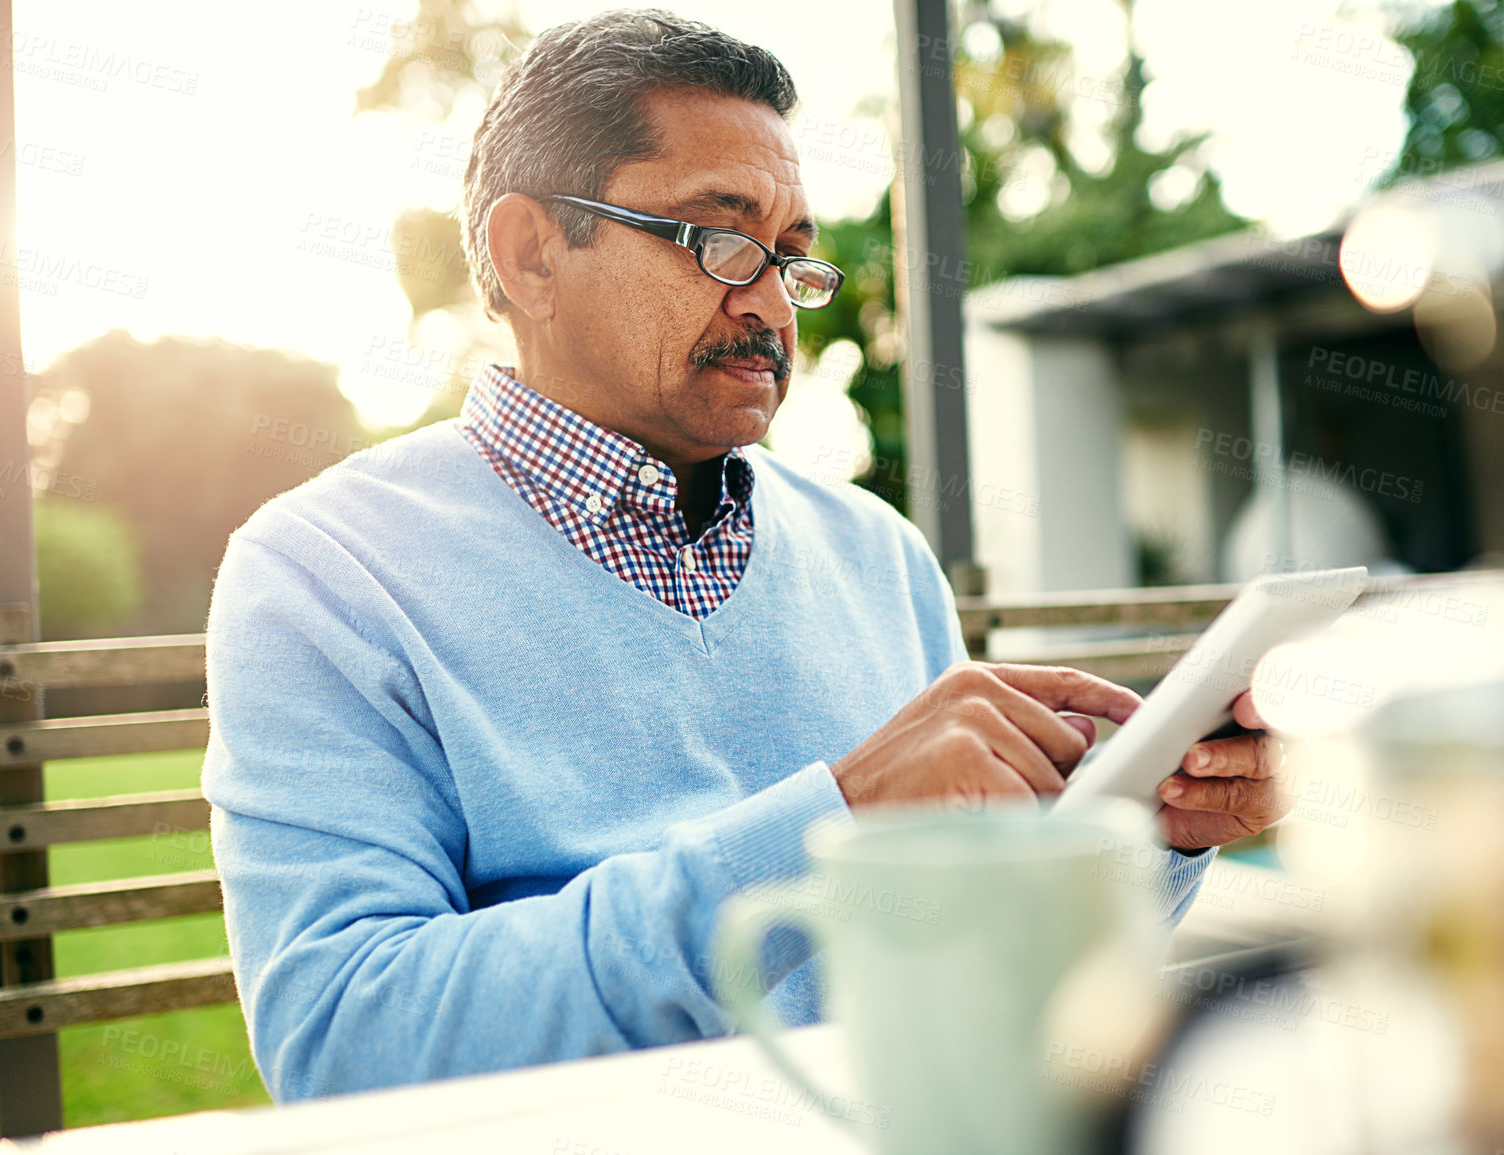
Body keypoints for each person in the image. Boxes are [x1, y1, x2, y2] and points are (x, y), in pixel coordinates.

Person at [203, 8, 1292, 1102]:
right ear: (530, 253)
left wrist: (1152, 834)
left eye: (793, 260)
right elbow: (345, 1042)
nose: (773, 303)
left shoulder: (878, 553)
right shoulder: (325, 576)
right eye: (719, 241)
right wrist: (837, 817)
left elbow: (994, 965)